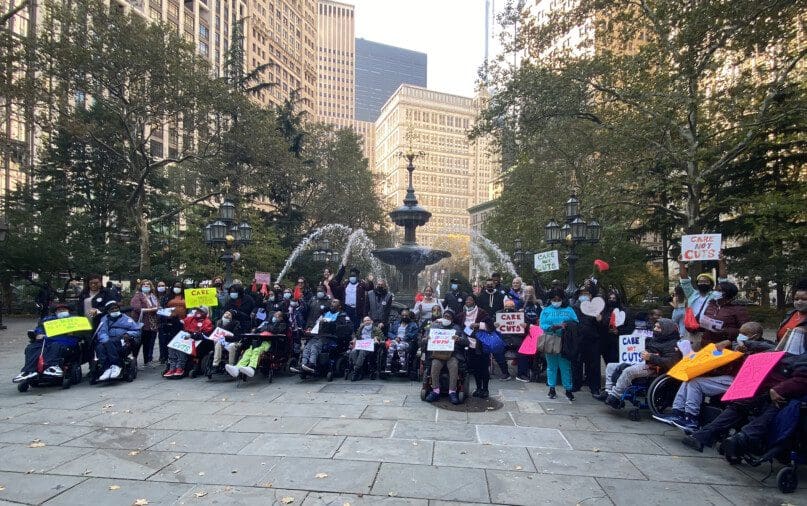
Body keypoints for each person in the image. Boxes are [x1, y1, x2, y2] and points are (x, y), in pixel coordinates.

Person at [682, 328, 806, 454]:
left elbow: (802, 379)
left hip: (782, 395)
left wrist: (778, 390)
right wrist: (741, 343)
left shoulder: (802, 359)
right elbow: (765, 345)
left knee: (772, 411)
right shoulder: (778, 351)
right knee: (739, 406)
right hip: (763, 388)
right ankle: (703, 435)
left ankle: (741, 439)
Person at [654, 322, 772, 432]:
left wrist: (743, 350)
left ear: (755, 336)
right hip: (730, 375)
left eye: (745, 334)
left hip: (741, 381)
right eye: (740, 333)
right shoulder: (738, 344)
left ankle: (691, 419)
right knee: (689, 377)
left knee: (696, 384)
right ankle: (677, 411)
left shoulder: (763, 348)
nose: (741, 336)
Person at [602, 318, 682, 408]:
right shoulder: (655, 338)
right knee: (611, 366)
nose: (655, 329)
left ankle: (615, 396)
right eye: (655, 326)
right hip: (642, 362)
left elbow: (670, 362)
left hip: (655, 368)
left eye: (658, 327)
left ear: (667, 329)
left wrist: (651, 357)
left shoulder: (673, 344)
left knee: (629, 371)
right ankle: (608, 391)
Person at [13, 303, 81, 383]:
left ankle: (52, 366)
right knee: (31, 347)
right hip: (47, 340)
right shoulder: (48, 320)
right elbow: (39, 328)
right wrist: (39, 333)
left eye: (64, 310)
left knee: (55, 345)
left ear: (69, 311)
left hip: (66, 341)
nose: (62, 311)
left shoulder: (75, 319)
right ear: (55, 312)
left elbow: (83, 331)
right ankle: (28, 371)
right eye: (59, 310)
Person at [679, 255, 728, 348]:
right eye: (700, 281)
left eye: (706, 281)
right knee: (693, 356)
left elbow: (723, 281)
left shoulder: (716, 295)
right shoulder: (692, 294)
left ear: (711, 284)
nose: (703, 283)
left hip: (709, 331)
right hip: (693, 332)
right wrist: (681, 263)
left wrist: (721, 262)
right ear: (697, 284)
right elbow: (684, 280)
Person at [539, 289, 579, 400]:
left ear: (563, 299)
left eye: (558, 299)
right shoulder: (546, 310)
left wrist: (566, 326)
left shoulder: (569, 309)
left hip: (565, 341)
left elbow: (576, 323)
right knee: (551, 366)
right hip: (550, 339)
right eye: (554, 299)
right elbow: (542, 325)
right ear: (550, 300)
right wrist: (553, 327)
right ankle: (551, 388)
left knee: (565, 367)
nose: (556, 301)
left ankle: (568, 389)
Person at [293, 299, 351, 374]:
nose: (332, 303)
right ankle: (303, 364)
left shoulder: (342, 315)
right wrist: (311, 328)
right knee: (307, 347)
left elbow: (345, 329)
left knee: (315, 346)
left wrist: (330, 323)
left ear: (339, 306)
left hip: (331, 337)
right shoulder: (325, 314)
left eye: (334, 302)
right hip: (320, 335)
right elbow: (316, 324)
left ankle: (312, 364)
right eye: (332, 302)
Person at [423, 309, 467, 404]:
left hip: (453, 354)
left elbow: (466, 341)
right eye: (445, 316)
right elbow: (423, 340)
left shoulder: (457, 328)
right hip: (438, 354)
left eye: (449, 317)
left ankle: (452, 392)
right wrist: (427, 339)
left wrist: (459, 339)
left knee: (454, 365)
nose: (446, 318)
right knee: (435, 365)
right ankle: (435, 390)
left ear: (452, 319)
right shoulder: (434, 327)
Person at [226, 310, 285, 378]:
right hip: (260, 340)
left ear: (281, 318)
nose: (275, 316)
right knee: (249, 351)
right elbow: (258, 329)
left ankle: (252, 367)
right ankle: (237, 368)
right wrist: (258, 329)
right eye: (275, 315)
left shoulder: (282, 324)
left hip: (270, 342)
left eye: (278, 315)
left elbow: (275, 330)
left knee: (257, 350)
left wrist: (264, 329)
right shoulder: (267, 323)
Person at [573, 286, 607, 396]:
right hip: (579, 339)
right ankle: (576, 384)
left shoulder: (596, 308)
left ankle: (594, 387)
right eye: (582, 294)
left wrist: (600, 320)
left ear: (591, 295)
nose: (584, 296)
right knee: (577, 363)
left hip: (593, 340)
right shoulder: (575, 307)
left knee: (594, 365)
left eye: (586, 293)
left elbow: (602, 326)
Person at [95, 301, 141, 381]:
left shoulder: (127, 319)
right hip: (108, 339)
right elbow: (102, 332)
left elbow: (137, 331)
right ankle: (106, 369)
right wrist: (106, 341)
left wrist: (128, 334)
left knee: (110, 343)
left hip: (122, 339)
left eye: (116, 308)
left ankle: (116, 365)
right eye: (112, 309)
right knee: (99, 347)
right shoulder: (104, 319)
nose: (115, 310)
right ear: (108, 311)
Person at [458, 295, 493, 398]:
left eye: (470, 300)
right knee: (476, 368)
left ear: (474, 301)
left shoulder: (482, 312)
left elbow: (491, 326)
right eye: (467, 300)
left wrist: (478, 325)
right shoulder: (462, 314)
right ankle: (478, 388)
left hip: (481, 344)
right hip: (469, 344)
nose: (468, 301)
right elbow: (455, 322)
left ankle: (485, 389)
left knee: (484, 368)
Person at [164, 305, 213, 378]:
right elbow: (180, 324)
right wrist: (174, 317)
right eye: (196, 310)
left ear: (204, 313)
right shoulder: (190, 319)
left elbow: (205, 335)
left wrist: (192, 335)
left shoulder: (207, 322)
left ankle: (180, 368)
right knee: (171, 346)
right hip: (187, 338)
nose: (197, 312)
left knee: (182, 348)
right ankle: (172, 367)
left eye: (199, 311)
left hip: (198, 342)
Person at [698, 281, 749, 347]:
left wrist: (724, 331)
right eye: (715, 290)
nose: (715, 292)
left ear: (727, 293)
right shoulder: (711, 304)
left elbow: (746, 330)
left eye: (719, 290)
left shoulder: (738, 309)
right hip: (707, 344)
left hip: (725, 345)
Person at [329, 265, 372, 330]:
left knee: (356, 326)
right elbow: (336, 290)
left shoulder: (361, 284)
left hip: (356, 309)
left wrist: (370, 281)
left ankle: (355, 338)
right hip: (347, 308)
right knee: (346, 325)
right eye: (351, 276)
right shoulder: (345, 284)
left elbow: (370, 289)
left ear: (357, 277)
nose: (352, 278)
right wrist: (331, 281)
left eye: (354, 276)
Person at [130, 279, 160, 369]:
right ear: (141, 286)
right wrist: (151, 309)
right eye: (144, 284)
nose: (146, 286)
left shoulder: (153, 296)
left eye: (148, 285)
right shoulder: (138, 295)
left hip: (152, 324)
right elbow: (136, 307)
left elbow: (158, 306)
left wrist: (156, 309)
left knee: (148, 343)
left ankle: (147, 361)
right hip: (141, 323)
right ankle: (134, 362)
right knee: (137, 344)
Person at [348, 316, 383, 381]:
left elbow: (381, 337)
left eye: (368, 320)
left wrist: (376, 338)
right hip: (361, 344)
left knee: (362, 351)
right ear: (363, 323)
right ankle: (360, 370)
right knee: (353, 351)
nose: (367, 322)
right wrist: (354, 340)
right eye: (365, 321)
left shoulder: (376, 329)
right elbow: (356, 336)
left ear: (371, 321)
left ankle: (356, 372)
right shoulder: (361, 328)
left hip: (370, 345)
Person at [384, 309, 419, 373]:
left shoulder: (413, 325)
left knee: (400, 346)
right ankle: (388, 365)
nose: (404, 317)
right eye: (403, 315)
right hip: (396, 340)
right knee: (391, 346)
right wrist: (395, 337)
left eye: (406, 315)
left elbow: (414, 334)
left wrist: (403, 338)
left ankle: (403, 365)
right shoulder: (396, 323)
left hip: (407, 341)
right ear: (400, 316)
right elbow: (389, 333)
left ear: (409, 316)